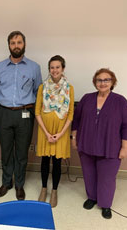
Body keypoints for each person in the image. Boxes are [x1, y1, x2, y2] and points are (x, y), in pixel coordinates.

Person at [71, 68, 127, 219]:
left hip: (110, 147)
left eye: (106, 80)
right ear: (95, 82)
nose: (103, 83)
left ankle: (105, 205)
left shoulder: (120, 101)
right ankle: (92, 198)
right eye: (99, 80)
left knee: (107, 178)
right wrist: (74, 138)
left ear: (112, 82)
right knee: (89, 173)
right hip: (86, 144)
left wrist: (125, 148)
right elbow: (77, 120)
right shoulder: (87, 98)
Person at [0, 31, 42, 200]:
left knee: (21, 152)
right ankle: (6, 182)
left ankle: (19, 184)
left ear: (24, 45)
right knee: (6, 151)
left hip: (25, 114)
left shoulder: (34, 67)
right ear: (9, 46)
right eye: (13, 43)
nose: (16, 46)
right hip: (3, 113)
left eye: (19, 42)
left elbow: (38, 91)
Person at [35, 55, 74, 208]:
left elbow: (70, 114)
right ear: (49, 69)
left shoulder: (69, 88)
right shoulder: (42, 87)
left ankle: (55, 190)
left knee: (57, 163)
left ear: (62, 68)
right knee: (45, 161)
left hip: (61, 132)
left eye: (58, 67)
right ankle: (44, 188)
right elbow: (37, 111)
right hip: (44, 131)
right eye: (52, 67)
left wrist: (61, 133)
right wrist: (46, 132)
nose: (54, 70)